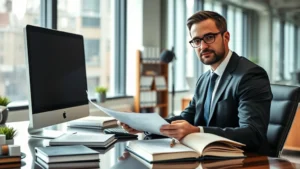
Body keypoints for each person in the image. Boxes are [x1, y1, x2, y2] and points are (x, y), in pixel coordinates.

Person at [121, 11, 272, 155]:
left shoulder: (250, 75)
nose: (203, 46)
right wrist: (146, 126)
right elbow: (188, 117)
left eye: (209, 37)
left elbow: (253, 134)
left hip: (246, 161)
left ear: (226, 37)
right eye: (197, 40)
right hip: (208, 157)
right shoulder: (204, 79)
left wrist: (197, 131)